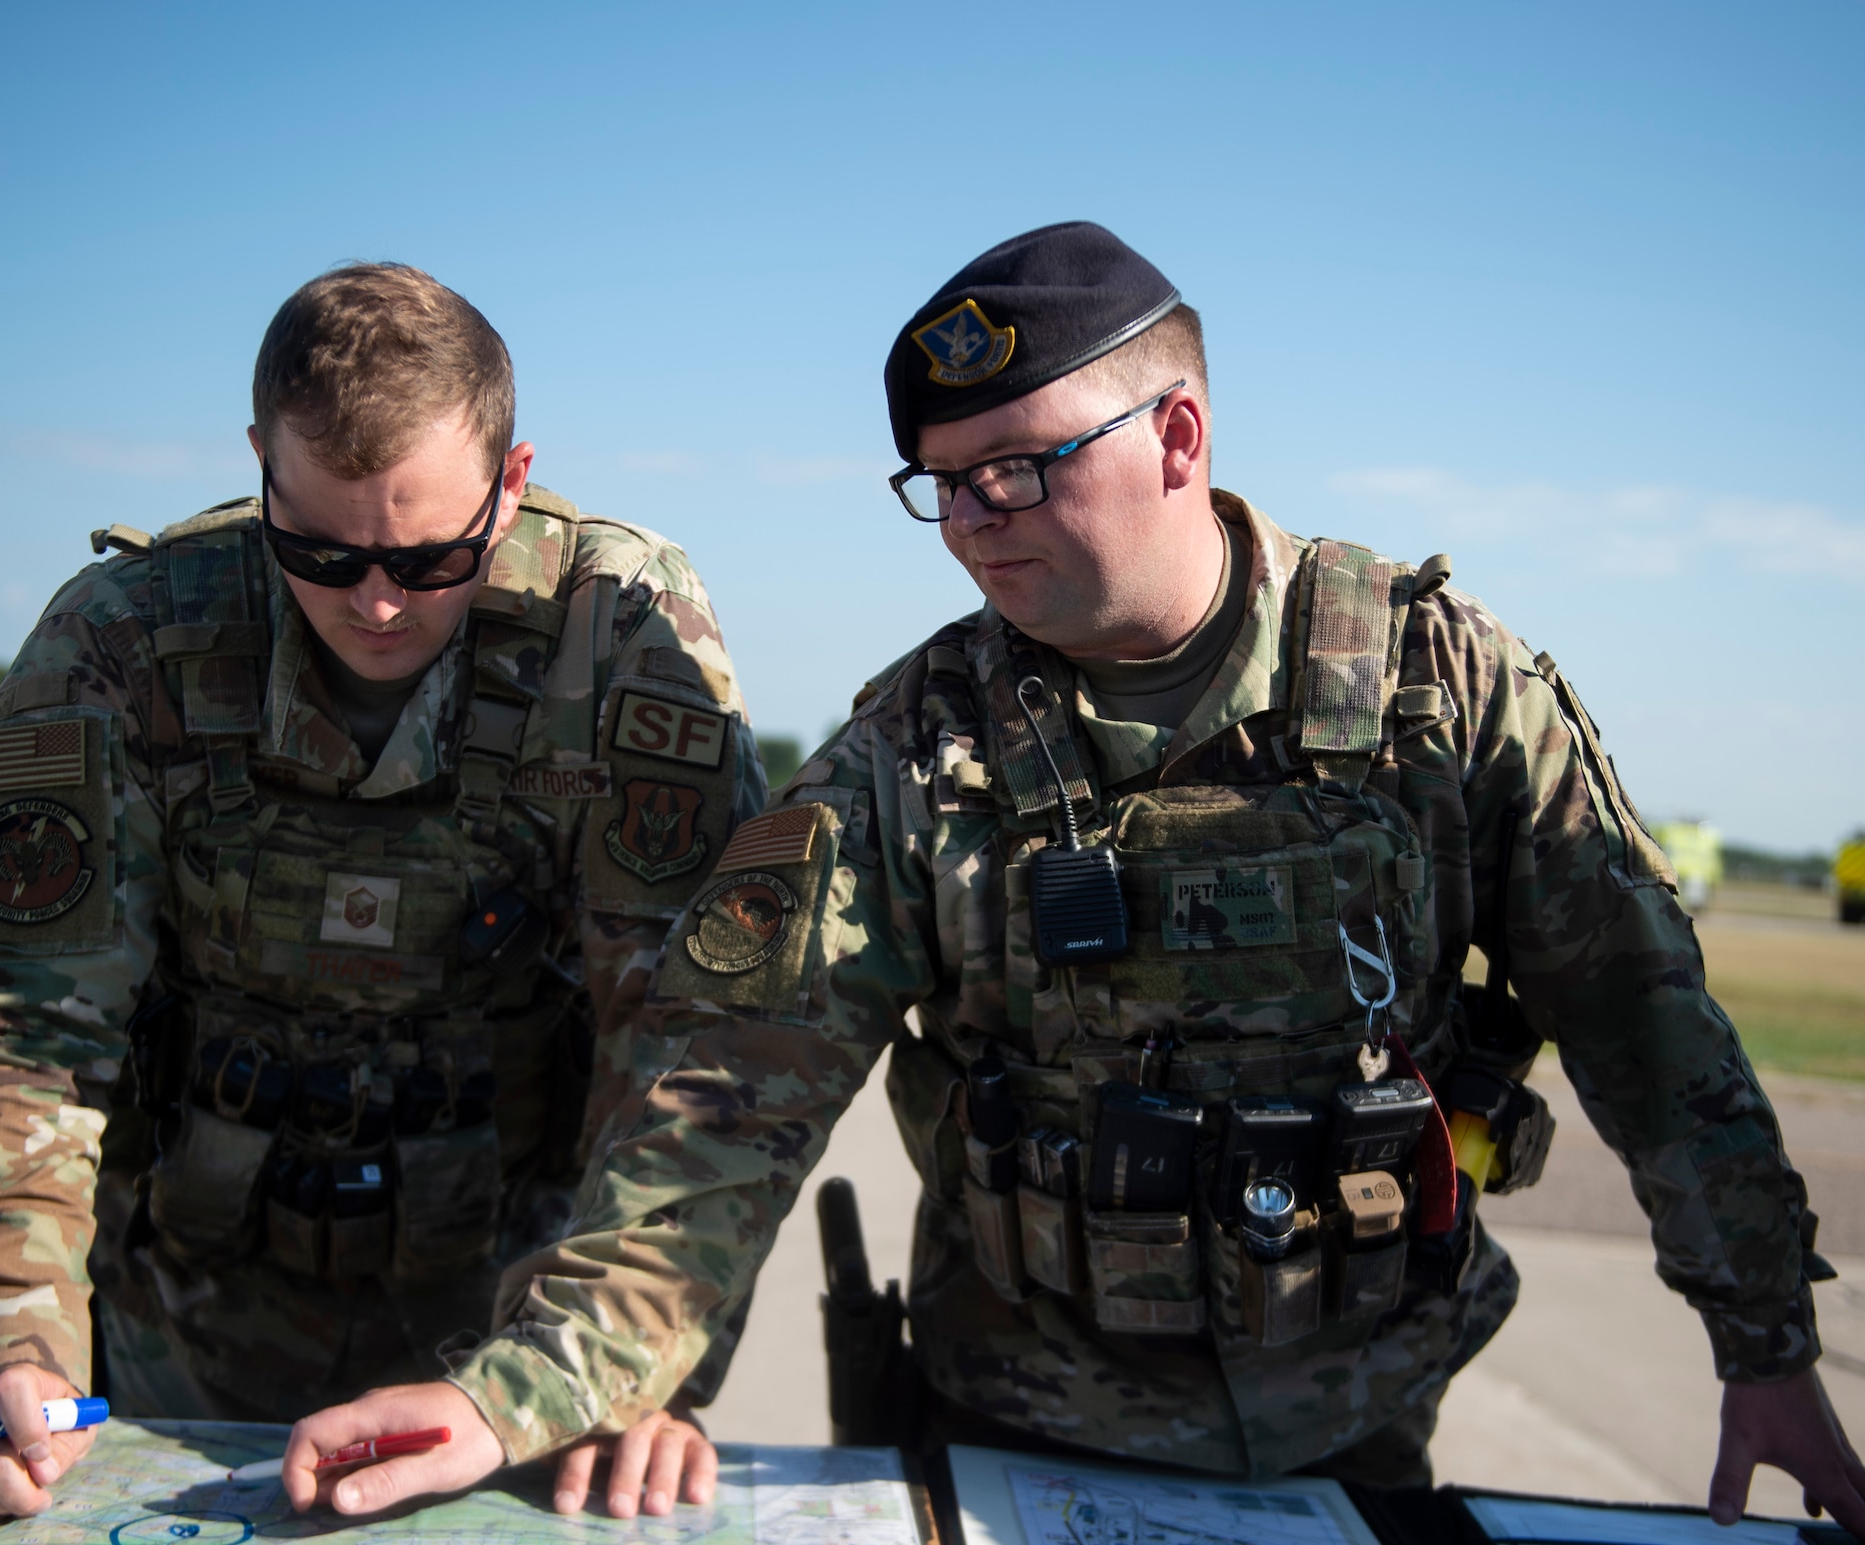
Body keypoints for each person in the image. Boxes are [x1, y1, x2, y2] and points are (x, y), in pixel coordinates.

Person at [279, 224, 1865, 1535]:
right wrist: (535, 1387)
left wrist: (1768, 1346)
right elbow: (721, 1101)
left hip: (1361, 1452)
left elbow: (1653, 1030)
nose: (971, 525)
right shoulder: (914, 755)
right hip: (1012, 1450)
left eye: (1017, 470)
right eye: (942, 483)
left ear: (1177, 435)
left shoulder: (1441, 692)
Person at [0, 263, 756, 1522]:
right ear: (259, 468)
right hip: (180, 1314)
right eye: (321, 550)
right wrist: (1, 1336)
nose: (379, 601)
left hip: (514, 1325)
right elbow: (6, 1010)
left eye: (428, 553)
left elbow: (694, 1047)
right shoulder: (128, 637)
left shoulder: (617, 636)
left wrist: (622, 1364)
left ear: (511, 482)